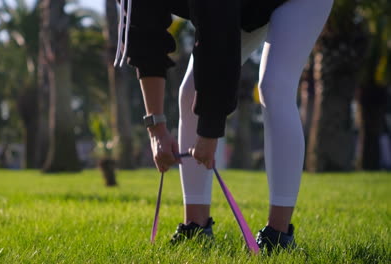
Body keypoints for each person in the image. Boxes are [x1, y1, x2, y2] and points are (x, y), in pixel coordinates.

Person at [114, 0, 333, 251]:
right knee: (190, 92)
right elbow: (145, 39)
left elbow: (217, 39)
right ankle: (196, 228)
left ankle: (278, 236)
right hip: (241, 8)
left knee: (273, 86)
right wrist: (156, 128)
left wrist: (209, 132)